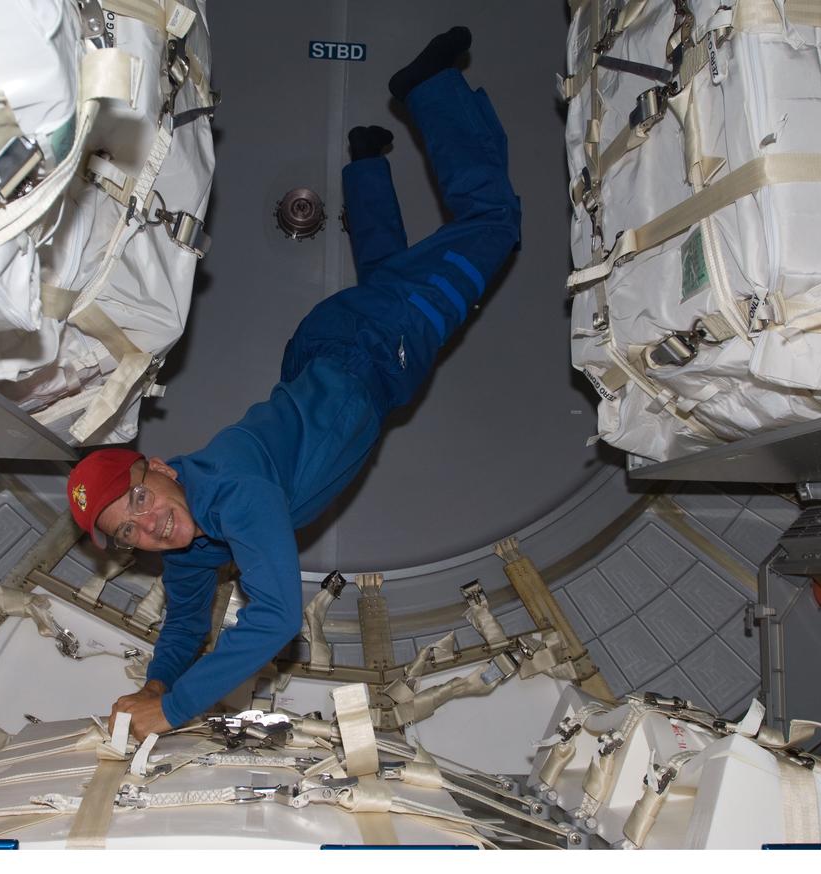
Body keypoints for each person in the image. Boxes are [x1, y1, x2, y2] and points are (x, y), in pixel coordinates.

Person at [66, 27, 521, 740]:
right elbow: (188, 619)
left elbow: (277, 620)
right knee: (388, 276)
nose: (148, 526)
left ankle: (426, 88)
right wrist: (158, 681)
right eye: (130, 533)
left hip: (369, 351)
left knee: (494, 223)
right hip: (331, 354)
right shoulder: (191, 538)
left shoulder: (233, 493)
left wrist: (176, 710)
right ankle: (367, 165)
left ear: (156, 469)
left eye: (139, 502)